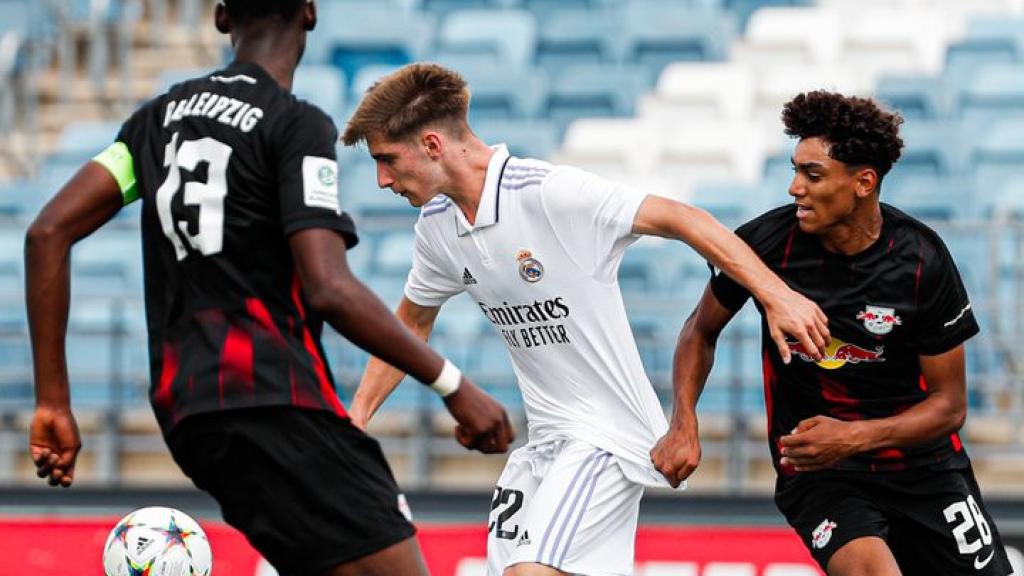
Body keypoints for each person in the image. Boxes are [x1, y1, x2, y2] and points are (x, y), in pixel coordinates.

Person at [25, 3, 514, 575]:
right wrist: (452, 384)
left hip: (188, 415)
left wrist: (53, 402)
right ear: (308, 13)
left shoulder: (154, 122)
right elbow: (328, 287)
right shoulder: (293, 124)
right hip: (275, 402)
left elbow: (46, 233)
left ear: (221, 17)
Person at [342, 63, 830, 576]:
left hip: (604, 440)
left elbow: (684, 218)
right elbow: (408, 328)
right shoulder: (437, 227)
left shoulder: (548, 193)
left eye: (387, 160)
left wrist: (776, 294)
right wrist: (354, 423)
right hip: (542, 448)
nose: (381, 180)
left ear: (434, 145)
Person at [652, 90, 1013, 576]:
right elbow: (700, 330)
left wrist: (853, 437)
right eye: (794, 170)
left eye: (812, 174)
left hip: (924, 471)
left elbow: (949, 407)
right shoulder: (763, 246)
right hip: (821, 472)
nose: (794, 188)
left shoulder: (922, 260)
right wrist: (684, 420)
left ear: (864, 182)